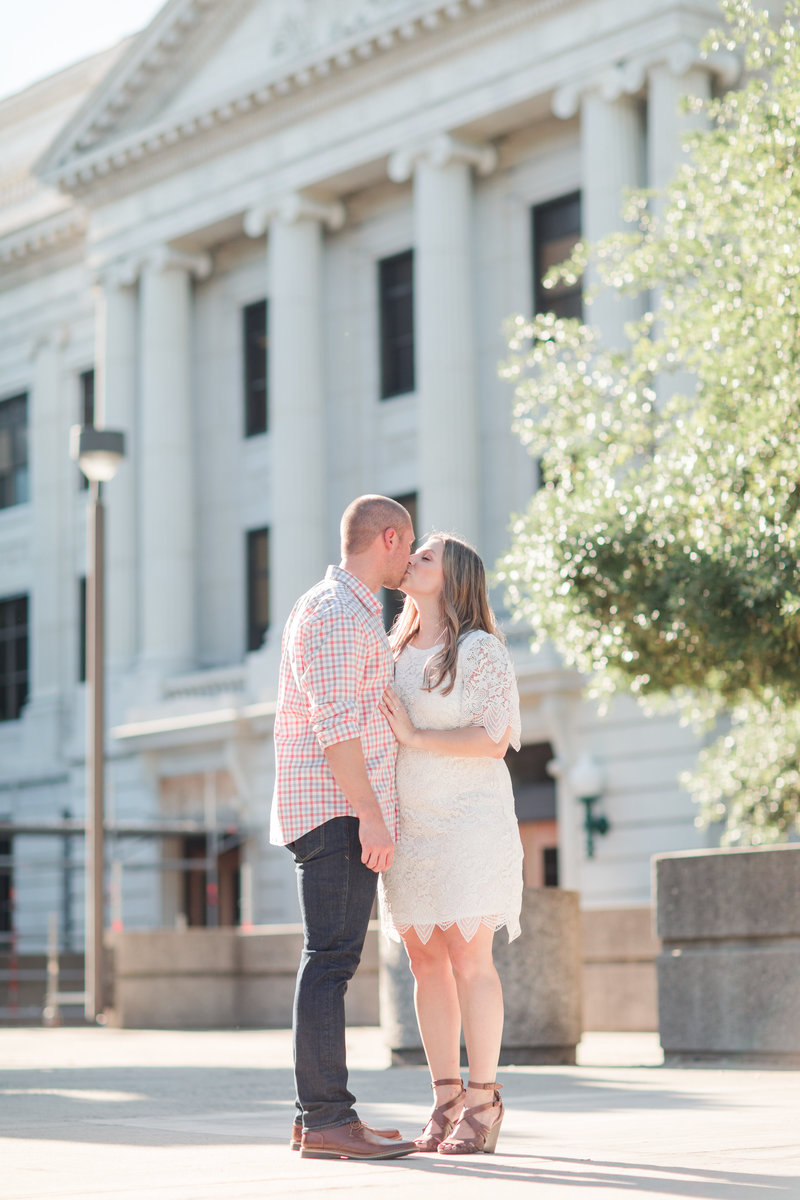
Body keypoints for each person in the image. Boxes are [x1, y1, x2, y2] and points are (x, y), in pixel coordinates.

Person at [270, 495, 418, 1161]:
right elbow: (336, 729)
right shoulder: (335, 613)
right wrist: (372, 813)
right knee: (330, 961)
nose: (411, 560)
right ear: (388, 538)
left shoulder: (348, 611)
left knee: (332, 960)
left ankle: (321, 1118)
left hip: (338, 806)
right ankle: (328, 1119)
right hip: (335, 808)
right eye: (407, 546)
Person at [378, 532, 524, 1156]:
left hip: (471, 820)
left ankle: (485, 1100)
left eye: (427, 555)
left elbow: (494, 738)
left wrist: (414, 736)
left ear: (454, 576)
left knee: (470, 961)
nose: (412, 558)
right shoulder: (391, 648)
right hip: (410, 824)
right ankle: (444, 1098)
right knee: (424, 962)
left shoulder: (480, 650)